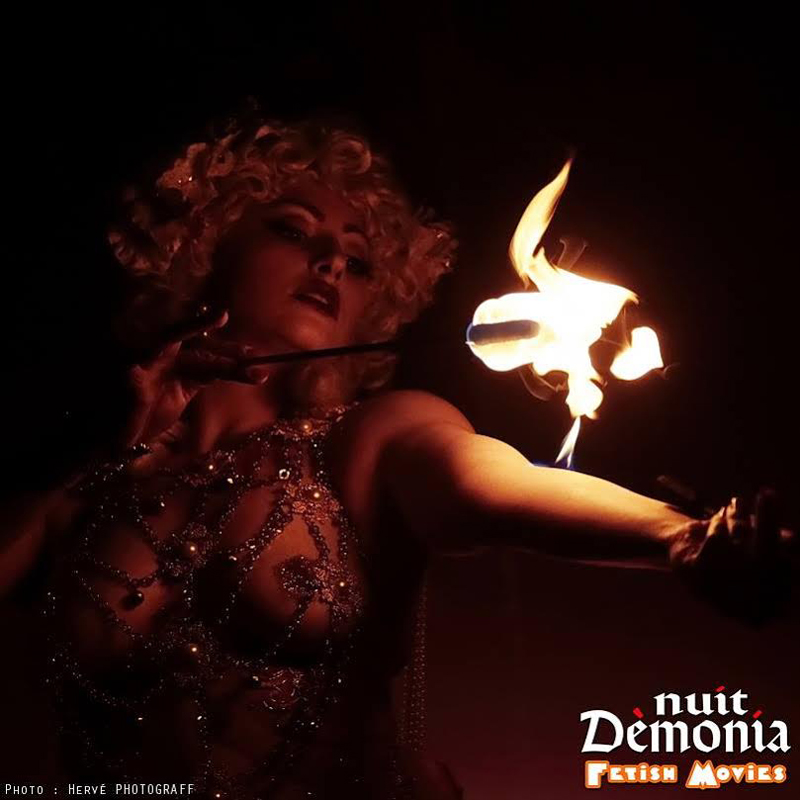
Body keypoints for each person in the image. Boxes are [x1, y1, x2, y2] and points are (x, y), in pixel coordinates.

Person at [0, 114, 793, 800]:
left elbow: (493, 484)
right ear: (205, 244)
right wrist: (109, 443)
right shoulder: (81, 487)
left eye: (359, 260)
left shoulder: (371, 439)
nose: (332, 262)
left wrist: (678, 535)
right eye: (292, 230)